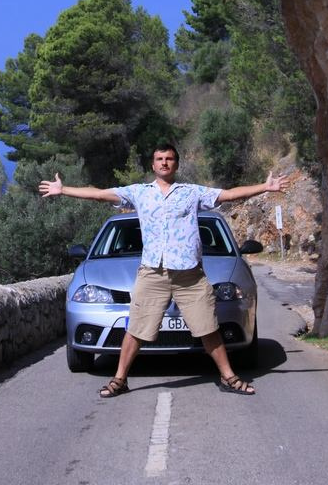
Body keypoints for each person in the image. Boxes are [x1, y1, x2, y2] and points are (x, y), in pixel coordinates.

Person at [39, 142, 290, 399]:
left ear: (176, 164)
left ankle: (229, 377)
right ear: (153, 164)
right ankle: (119, 379)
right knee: (136, 329)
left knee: (208, 328)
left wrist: (264, 187)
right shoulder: (139, 193)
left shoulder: (192, 193)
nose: (164, 163)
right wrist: (64, 190)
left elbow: (228, 195)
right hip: (153, 272)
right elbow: (101, 194)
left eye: (169, 158)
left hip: (189, 275)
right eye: (159, 158)